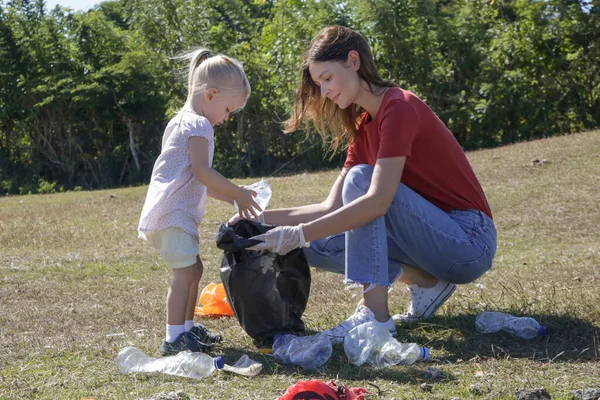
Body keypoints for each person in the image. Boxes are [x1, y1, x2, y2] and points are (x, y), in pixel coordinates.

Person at [240, 25, 497, 344]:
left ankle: (375, 317)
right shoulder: (365, 126)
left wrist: (298, 233)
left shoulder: (399, 107)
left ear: (353, 60)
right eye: (319, 83)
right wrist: (256, 221)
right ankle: (427, 283)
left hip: (469, 241)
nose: (324, 92)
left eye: (327, 78)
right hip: (430, 242)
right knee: (315, 246)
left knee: (359, 183)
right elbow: (329, 207)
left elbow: (377, 200)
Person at [138, 48, 261, 355]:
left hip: (172, 214)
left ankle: (187, 330)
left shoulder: (183, 120)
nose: (226, 119)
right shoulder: (199, 125)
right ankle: (173, 338)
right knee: (186, 273)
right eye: (229, 110)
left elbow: (197, 180)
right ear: (211, 95)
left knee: (192, 269)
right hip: (172, 215)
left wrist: (233, 194)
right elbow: (202, 172)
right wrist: (236, 193)